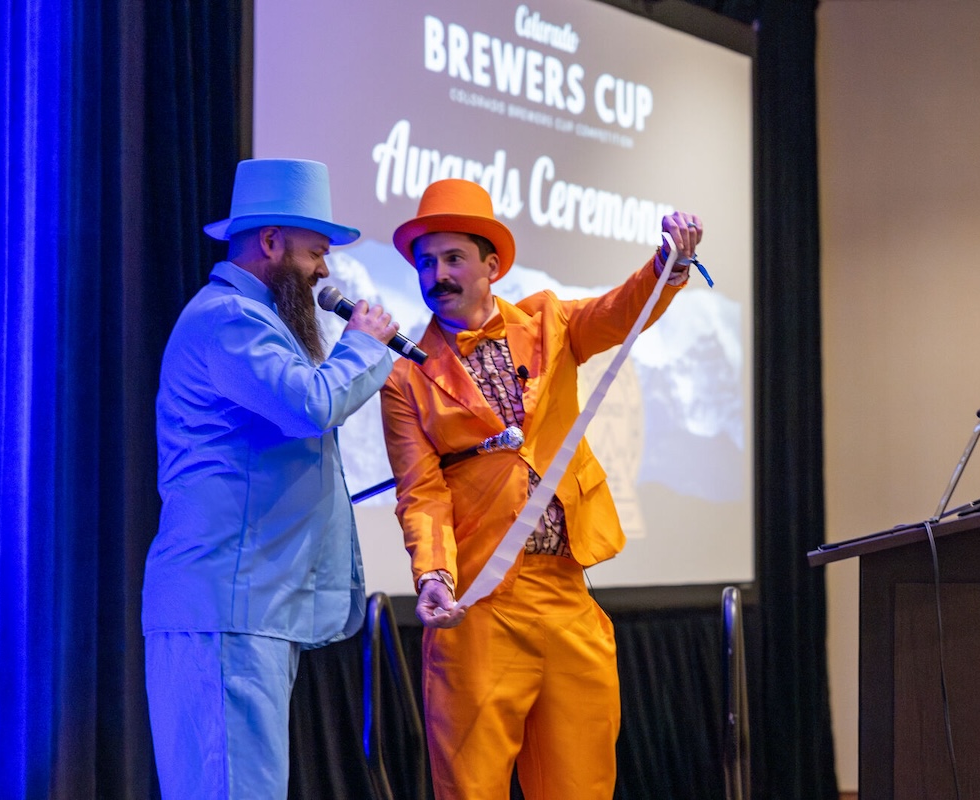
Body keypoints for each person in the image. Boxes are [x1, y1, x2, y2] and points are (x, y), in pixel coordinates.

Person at [379, 178, 702, 799]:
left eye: (453, 259)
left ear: (492, 265)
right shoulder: (406, 378)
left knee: (581, 782)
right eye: (426, 262)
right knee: (471, 786)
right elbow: (421, 493)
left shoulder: (548, 322)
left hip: (565, 590)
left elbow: (618, 311)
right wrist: (433, 577)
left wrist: (670, 262)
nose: (437, 275)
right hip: (481, 604)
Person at [142, 158, 399, 799]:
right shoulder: (226, 320)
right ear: (271, 242)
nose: (324, 272)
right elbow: (308, 402)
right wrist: (365, 344)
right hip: (224, 609)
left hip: (247, 611)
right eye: (316, 253)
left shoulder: (256, 324)